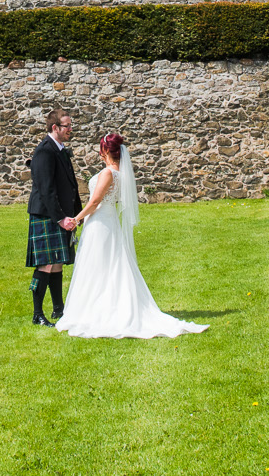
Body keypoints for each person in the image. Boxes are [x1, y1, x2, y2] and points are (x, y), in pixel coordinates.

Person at [54, 133, 207, 339]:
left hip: (101, 223)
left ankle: (97, 310)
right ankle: (99, 306)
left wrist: (76, 219)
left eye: (101, 149)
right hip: (105, 221)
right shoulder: (120, 173)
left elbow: (95, 201)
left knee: (99, 264)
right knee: (104, 264)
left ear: (106, 151)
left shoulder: (109, 173)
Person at [25, 108, 79, 324]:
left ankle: (59, 309)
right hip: (47, 215)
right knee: (45, 264)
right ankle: (38, 314)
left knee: (57, 263)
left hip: (59, 215)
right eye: (67, 126)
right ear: (55, 127)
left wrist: (76, 214)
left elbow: (70, 185)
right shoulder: (45, 151)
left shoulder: (60, 149)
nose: (70, 130)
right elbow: (46, 190)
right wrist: (60, 218)